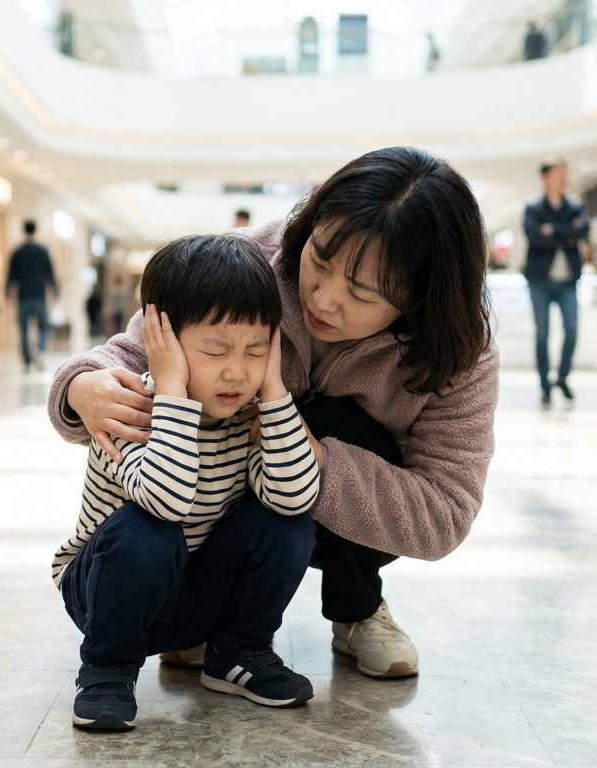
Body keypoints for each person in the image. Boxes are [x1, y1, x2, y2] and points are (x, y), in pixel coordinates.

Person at [51, 146, 498, 683]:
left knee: (342, 428)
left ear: (420, 299)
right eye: (322, 258)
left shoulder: (459, 352)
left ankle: (356, 609)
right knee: (154, 522)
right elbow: (139, 351)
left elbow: (444, 511)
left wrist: (312, 458)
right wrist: (81, 386)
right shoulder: (252, 263)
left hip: (315, 510)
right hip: (203, 504)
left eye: (361, 291)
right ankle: (194, 604)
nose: (324, 300)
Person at [57, 234, 320, 731]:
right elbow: (167, 500)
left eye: (256, 349)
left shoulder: (249, 414)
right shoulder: (128, 412)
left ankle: (236, 653)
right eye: (216, 350)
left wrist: (274, 390)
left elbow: (296, 496)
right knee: (146, 531)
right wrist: (172, 387)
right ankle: (107, 668)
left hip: (199, 595)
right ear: (165, 345)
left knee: (288, 524)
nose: (236, 370)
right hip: (107, 596)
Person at [522, 157, 588, 405]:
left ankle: (562, 377)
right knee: (542, 334)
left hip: (568, 280)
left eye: (565, 172)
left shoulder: (575, 204)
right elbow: (534, 237)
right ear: (546, 176)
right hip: (540, 280)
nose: (564, 177)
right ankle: (544, 385)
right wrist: (567, 232)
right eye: (559, 172)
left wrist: (552, 229)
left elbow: (583, 230)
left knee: (571, 329)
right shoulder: (533, 207)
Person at [7, 220, 56, 371]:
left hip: (23, 296)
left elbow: (11, 275)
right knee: (44, 327)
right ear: (35, 231)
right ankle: (38, 350)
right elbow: (50, 273)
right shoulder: (42, 250)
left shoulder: (18, 251)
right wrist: (55, 292)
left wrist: (8, 294)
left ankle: (27, 363)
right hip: (39, 295)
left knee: (23, 329)